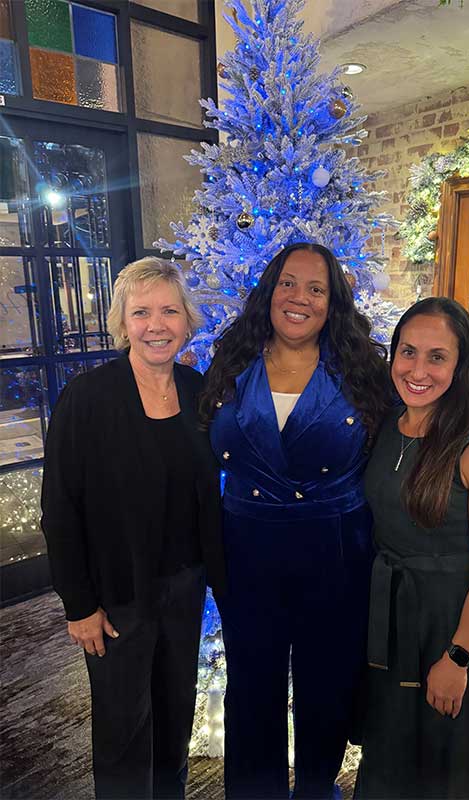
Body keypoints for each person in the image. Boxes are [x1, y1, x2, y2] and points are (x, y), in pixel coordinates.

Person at [199, 242, 394, 799]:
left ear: (333, 304)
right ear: (270, 290)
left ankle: (315, 789)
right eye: (288, 283)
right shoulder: (233, 357)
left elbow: (396, 451)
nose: (299, 298)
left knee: (325, 687)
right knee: (251, 686)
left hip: (334, 549)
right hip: (247, 548)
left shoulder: (363, 372)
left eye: (316, 289)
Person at [41, 257, 226, 800]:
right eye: (141, 312)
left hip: (185, 587)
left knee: (174, 717)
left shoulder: (200, 391)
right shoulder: (88, 398)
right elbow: (59, 508)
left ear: (186, 320)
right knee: (124, 731)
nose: (157, 325)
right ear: (123, 323)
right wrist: (78, 605)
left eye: (169, 310)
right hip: (116, 594)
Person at [354, 297, 469, 800]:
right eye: (407, 352)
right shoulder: (389, 425)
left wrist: (458, 658)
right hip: (393, 613)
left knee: (447, 761)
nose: (417, 370)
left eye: (437, 357)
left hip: (454, 621)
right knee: (392, 749)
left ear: (460, 366)